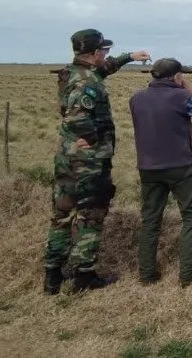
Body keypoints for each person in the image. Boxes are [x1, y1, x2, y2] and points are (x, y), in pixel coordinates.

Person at [43, 29, 150, 295]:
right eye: (104, 52)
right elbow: (78, 117)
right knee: (90, 215)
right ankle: (84, 276)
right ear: (93, 54)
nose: (107, 56)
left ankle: (52, 275)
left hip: (66, 157)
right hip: (87, 162)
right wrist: (90, 139)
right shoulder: (87, 83)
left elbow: (105, 69)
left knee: (62, 214)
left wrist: (130, 57)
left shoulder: (71, 72)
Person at [129, 58, 192, 288]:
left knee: (150, 219)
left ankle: (147, 275)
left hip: (148, 167)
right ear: (177, 77)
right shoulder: (182, 97)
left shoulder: (137, 99)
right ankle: (187, 277)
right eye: (182, 75)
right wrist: (191, 89)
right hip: (180, 166)